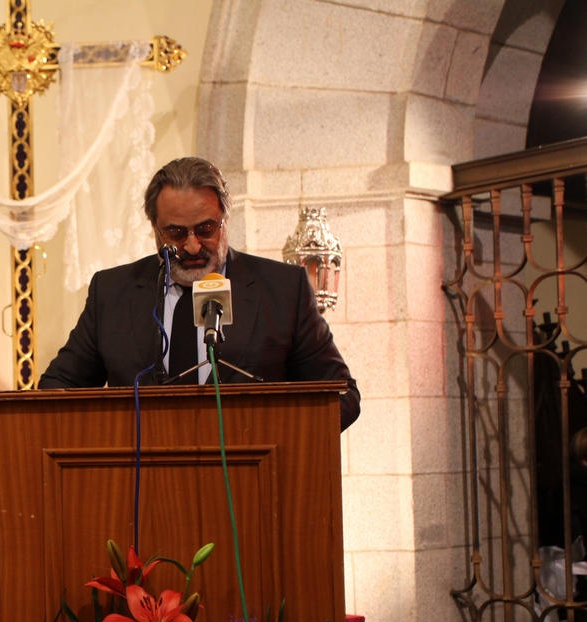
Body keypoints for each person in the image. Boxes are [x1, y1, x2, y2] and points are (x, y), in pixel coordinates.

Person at [39, 156, 361, 431]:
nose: (192, 246)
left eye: (206, 229)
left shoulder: (282, 290)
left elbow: (343, 396)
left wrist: (271, 433)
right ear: (155, 229)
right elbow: (56, 390)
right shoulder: (112, 293)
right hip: (142, 490)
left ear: (225, 220)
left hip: (254, 486)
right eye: (176, 233)